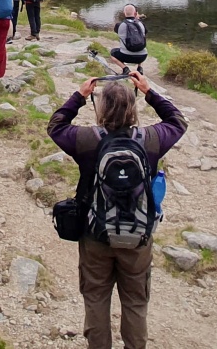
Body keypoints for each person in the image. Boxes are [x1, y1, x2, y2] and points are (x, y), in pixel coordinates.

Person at [48, 71, 188, 349]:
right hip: (138, 237)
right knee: (135, 301)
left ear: (100, 109)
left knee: (96, 297)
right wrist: (149, 91)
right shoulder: (151, 140)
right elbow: (178, 122)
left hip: (95, 233)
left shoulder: (87, 140)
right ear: (133, 109)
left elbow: (55, 126)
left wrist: (78, 97)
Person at [111, 5, 148, 71]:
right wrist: (137, 19)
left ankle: (125, 69)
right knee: (141, 46)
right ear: (135, 13)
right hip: (142, 56)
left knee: (113, 53)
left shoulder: (119, 25)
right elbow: (145, 33)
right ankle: (140, 68)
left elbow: (117, 31)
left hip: (125, 56)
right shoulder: (141, 24)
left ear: (124, 13)